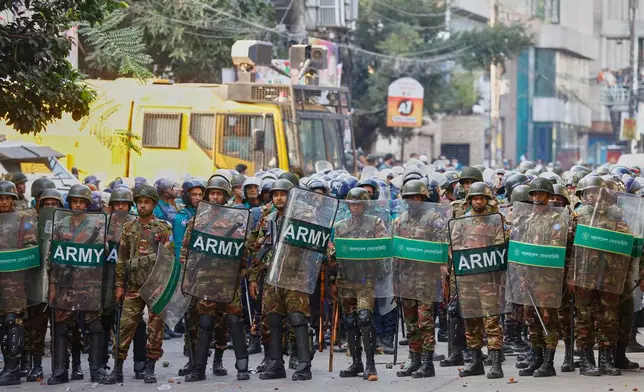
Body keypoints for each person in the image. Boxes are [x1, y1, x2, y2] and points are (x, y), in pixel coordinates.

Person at [181, 176, 250, 382]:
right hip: (204, 280)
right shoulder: (197, 220)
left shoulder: (236, 220)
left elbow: (244, 251)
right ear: (207, 195)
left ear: (226, 196)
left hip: (228, 279)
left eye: (219, 193)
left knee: (234, 321)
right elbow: (186, 251)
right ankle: (198, 369)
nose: (216, 196)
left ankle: (242, 368)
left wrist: (242, 269)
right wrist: (187, 278)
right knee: (205, 322)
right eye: (213, 193)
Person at [104, 185, 173, 385]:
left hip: (155, 287)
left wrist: (165, 287)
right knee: (124, 326)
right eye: (140, 202)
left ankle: (149, 369)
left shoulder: (163, 228)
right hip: (133, 286)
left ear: (153, 204)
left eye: (147, 202)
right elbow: (121, 259)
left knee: (155, 328)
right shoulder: (128, 228)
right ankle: (117, 370)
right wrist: (119, 286)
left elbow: (168, 259)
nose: (143, 206)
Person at [247, 179, 315, 381]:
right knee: (273, 319)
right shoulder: (268, 220)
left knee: (297, 318)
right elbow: (258, 250)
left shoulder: (304, 217)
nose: (279, 198)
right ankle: (276, 363)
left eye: (283, 194)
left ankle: (304, 364)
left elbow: (315, 244)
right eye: (275, 194)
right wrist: (253, 277)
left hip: (295, 277)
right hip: (272, 277)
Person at [48, 184, 108, 385]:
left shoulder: (96, 224)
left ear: (87, 204)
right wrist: (53, 285)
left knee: (95, 325)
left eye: (82, 201)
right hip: (65, 282)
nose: (78, 205)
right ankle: (60, 370)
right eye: (75, 201)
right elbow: (52, 256)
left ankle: (96, 369)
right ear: (70, 202)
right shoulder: (60, 224)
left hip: (90, 281)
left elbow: (103, 251)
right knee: (62, 326)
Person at [329, 187, 388, 382]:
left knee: (364, 317)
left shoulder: (376, 223)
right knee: (350, 321)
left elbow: (384, 246)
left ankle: (370, 364)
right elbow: (332, 254)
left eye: (358, 203)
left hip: (366, 279)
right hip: (346, 279)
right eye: (352, 203)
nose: (355, 207)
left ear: (365, 205)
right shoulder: (340, 226)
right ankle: (356, 362)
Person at [449, 182, 505, 380]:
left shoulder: (496, 221)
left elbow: (500, 246)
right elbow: (453, 246)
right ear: (469, 200)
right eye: (474, 198)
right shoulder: (461, 221)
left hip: (488, 280)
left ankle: (496, 363)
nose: (478, 201)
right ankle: (475, 362)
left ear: (487, 199)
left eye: (481, 198)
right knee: (470, 321)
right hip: (467, 280)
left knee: (491, 321)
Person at [394, 180, 448, 379]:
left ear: (423, 197)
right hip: (406, 279)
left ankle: (427, 363)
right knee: (410, 322)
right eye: (409, 197)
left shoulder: (434, 219)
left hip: (426, 279)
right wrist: (395, 282)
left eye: (416, 197)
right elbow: (395, 252)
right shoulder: (400, 221)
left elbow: (442, 249)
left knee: (425, 323)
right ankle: (414, 360)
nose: (413, 200)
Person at [0, 181, 37, 386]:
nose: (4, 201)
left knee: (12, 323)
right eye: (1, 197)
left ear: (13, 199)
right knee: (1, 326)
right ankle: (7, 365)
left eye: (7, 198)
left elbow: (32, 248)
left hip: (15, 283)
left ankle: (13, 370)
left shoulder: (24, 219)